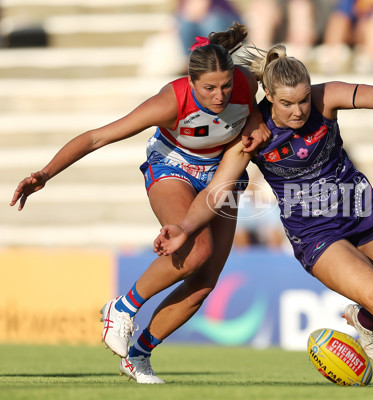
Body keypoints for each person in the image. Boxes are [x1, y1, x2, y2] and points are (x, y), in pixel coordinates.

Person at [153, 44, 373, 388]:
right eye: (286, 103)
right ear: (268, 95)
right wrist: (183, 227)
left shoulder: (325, 98)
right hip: (316, 233)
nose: (298, 111)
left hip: (360, 210)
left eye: (303, 101)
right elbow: (216, 189)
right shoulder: (254, 135)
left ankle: (364, 318)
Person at [10, 23, 269, 384]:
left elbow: (252, 111)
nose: (220, 95)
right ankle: (123, 307)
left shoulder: (244, 84)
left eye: (225, 85)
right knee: (197, 252)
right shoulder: (171, 100)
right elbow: (98, 137)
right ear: (191, 82)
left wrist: (256, 121)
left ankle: (139, 356)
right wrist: (45, 173)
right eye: (209, 88)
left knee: (205, 283)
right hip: (173, 167)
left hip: (221, 176)